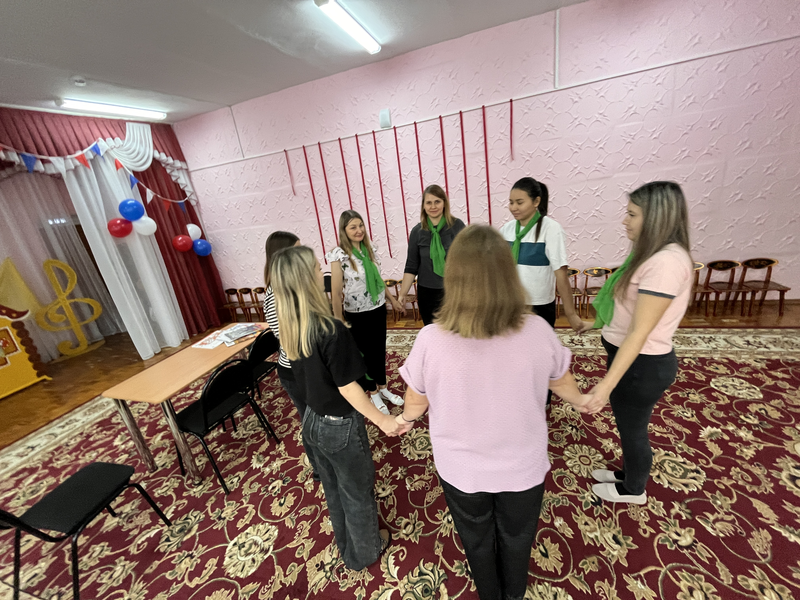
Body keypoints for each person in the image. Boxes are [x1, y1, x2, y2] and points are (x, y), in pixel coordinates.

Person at [395, 225, 592, 600]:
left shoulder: (429, 339)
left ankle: (490, 593)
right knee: (517, 536)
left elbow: (415, 405)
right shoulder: (538, 330)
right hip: (523, 466)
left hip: (461, 469)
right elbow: (563, 383)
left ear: (453, 277)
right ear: (508, 273)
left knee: (476, 536)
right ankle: (513, 594)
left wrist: (402, 420)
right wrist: (583, 401)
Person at [271, 245, 400, 570]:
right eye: (318, 268)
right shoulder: (331, 329)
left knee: (334, 488)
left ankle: (346, 543)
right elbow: (348, 387)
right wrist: (382, 420)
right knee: (357, 490)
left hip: (312, 419)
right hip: (339, 424)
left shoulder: (291, 322)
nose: (323, 272)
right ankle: (366, 552)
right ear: (306, 278)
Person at [579, 181, 693, 505]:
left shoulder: (666, 263)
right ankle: (627, 475)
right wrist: (596, 324)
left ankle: (634, 490)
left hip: (642, 364)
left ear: (655, 217)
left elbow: (639, 332)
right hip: (633, 361)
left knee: (633, 431)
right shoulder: (653, 255)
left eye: (632, 214)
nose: (624, 220)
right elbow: (627, 310)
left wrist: (605, 386)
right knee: (628, 426)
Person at [327, 210, 406, 416]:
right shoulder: (339, 255)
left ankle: (383, 387)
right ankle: (373, 392)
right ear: (344, 230)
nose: (359, 230)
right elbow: (336, 293)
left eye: (361, 225)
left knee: (378, 351)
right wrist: (339, 322)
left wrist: (392, 300)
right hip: (357, 314)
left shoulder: (370, 249)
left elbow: (379, 280)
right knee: (365, 355)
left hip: (377, 309)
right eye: (353, 227)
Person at [499, 177, 586, 333]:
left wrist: (571, 314)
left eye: (520, 202)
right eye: (511, 202)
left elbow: (561, 274)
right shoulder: (507, 229)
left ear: (536, 201)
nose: (513, 207)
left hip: (539, 305)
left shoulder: (551, 229)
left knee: (539, 345)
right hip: (512, 303)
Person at [398, 184, 466, 325]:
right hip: (426, 293)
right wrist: (402, 294)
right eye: (428, 203)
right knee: (431, 331)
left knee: (455, 331)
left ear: (444, 203)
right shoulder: (417, 232)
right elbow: (411, 266)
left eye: (437, 202)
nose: (433, 206)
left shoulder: (457, 226)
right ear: (423, 206)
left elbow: (467, 261)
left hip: (453, 290)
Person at [262, 231, 304, 416]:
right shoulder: (275, 296)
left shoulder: (294, 286)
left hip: (307, 365)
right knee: (312, 421)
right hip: (296, 369)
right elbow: (291, 341)